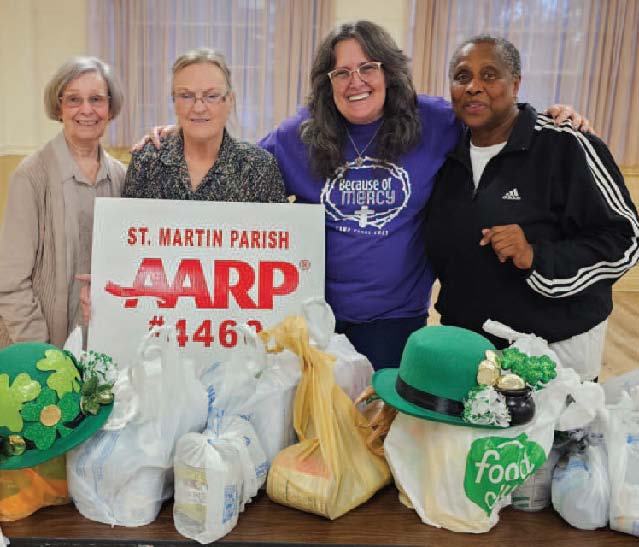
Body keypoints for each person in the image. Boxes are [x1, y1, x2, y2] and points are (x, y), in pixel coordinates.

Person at [139, 22, 587, 370]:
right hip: (316, 316)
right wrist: (180, 135)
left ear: (388, 73)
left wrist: (551, 115)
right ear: (327, 82)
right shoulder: (298, 137)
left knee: (378, 433)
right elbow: (232, 164)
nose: (357, 82)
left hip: (394, 317)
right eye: (343, 72)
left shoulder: (433, 121)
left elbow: (493, 114)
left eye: (368, 68)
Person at [423, 35, 639, 381]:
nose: (474, 87)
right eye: (462, 76)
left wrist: (535, 257)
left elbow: (625, 240)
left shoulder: (565, 144)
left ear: (516, 83)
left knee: (558, 436)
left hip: (556, 351)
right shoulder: (446, 156)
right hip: (471, 350)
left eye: (490, 75)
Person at [0, 56, 126, 349]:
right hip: (38, 350)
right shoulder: (31, 176)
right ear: (59, 108)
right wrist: (41, 353)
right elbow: (10, 281)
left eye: (96, 99)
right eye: (73, 100)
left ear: (110, 108)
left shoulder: (121, 177)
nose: (86, 110)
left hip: (102, 350)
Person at [122, 48, 286, 202]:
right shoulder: (146, 162)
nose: (199, 108)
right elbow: (124, 229)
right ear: (174, 101)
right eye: (186, 96)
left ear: (229, 101)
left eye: (212, 96)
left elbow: (278, 229)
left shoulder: (259, 168)